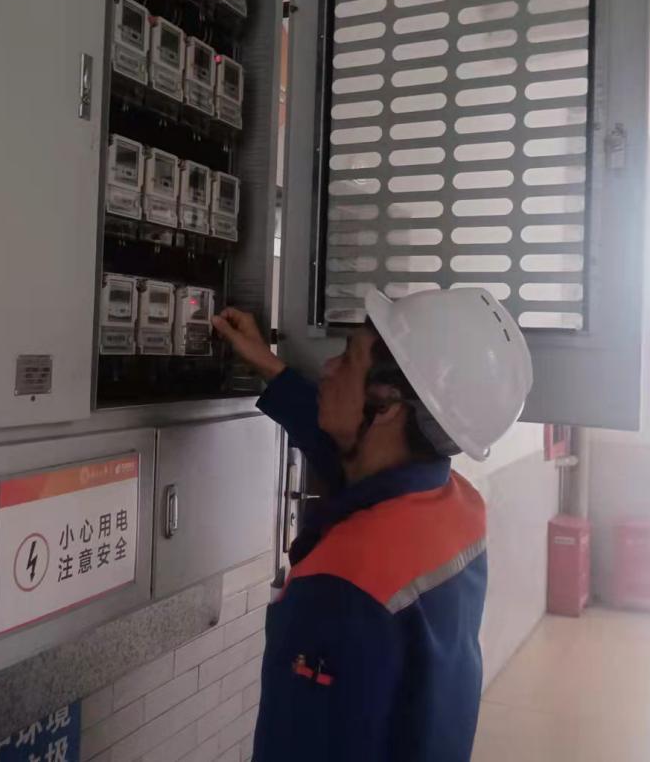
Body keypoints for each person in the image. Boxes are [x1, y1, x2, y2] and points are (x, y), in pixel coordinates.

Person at [212, 287, 533, 762]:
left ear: (386, 407)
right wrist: (268, 365)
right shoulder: (459, 506)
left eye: (347, 359)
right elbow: (350, 457)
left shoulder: (342, 586)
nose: (327, 367)